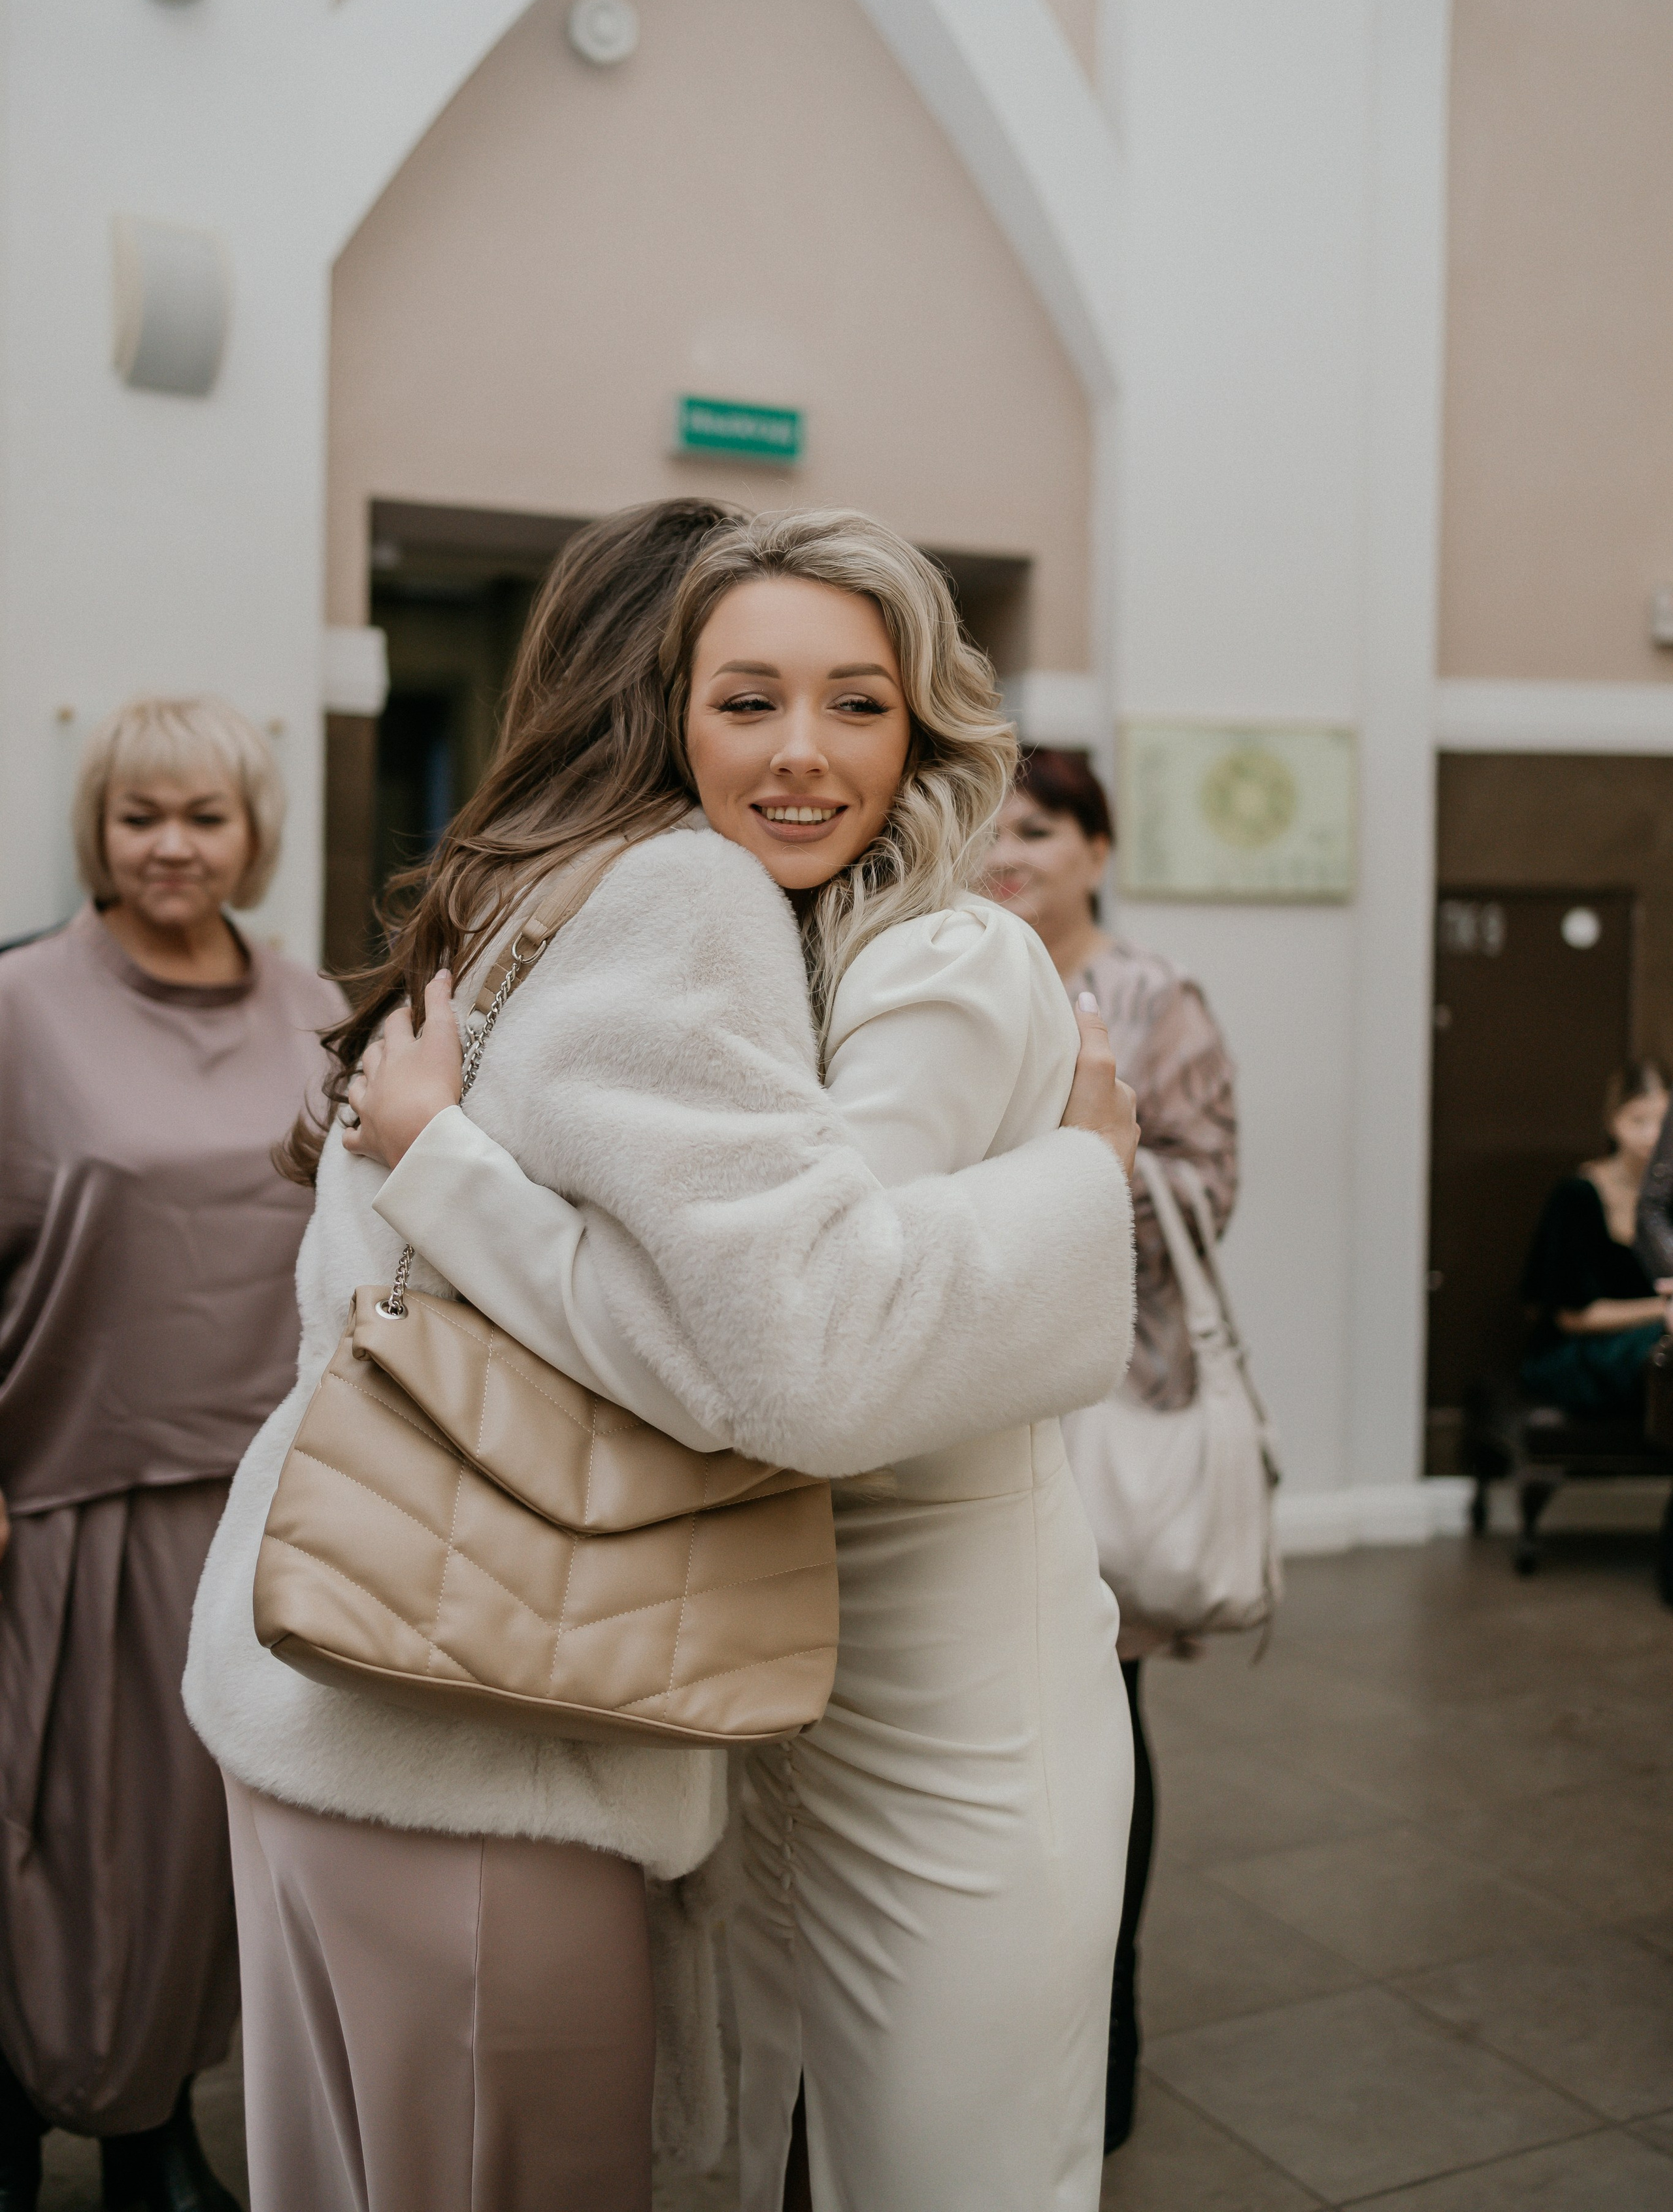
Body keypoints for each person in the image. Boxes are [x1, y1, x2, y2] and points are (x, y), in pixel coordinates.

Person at [184, 502, 1138, 2212]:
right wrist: (1085, 1186)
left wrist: (448, 1169)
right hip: (579, 1679)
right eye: (745, 696)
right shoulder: (685, 912)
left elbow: (786, 1350)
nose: (799, 751)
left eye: (857, 702)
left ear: (926, 723)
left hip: (817, 1681)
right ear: (661, 703)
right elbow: (782, 1344)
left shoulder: (890, 945)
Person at [0, 697, 342, 2212]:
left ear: (252, 832)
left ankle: (153, 2122)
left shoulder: (317, 1010)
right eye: (141, 815)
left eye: (204, 815)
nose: (171, 846)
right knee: (50, 1831)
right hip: (65, 1486)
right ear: (99, 830)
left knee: (215, 1842)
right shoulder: (22, 1007)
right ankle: (16, 2106)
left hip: (262, 1495)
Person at [982, 743, 1238, 2156]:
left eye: (1039, 828)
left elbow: (1212, 1176)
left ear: (1093, 849)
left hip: (1112, 1393)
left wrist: (1079, 1167)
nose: (1008, 852)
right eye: (993, 829)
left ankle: (1110, 2015)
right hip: (973, 1386)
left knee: (1103, 1721)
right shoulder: (953, 968)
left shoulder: (1149, 996)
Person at [1523, 1060, 1670, 1413]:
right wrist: (1663, 1310)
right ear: (1613, 1122)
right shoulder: (1577, 1196)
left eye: (1665, 1121)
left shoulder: (1665, 1196)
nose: (1653, 1135)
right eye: (1638, 1120)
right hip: (1578, 1354)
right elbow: (1572, 1317)